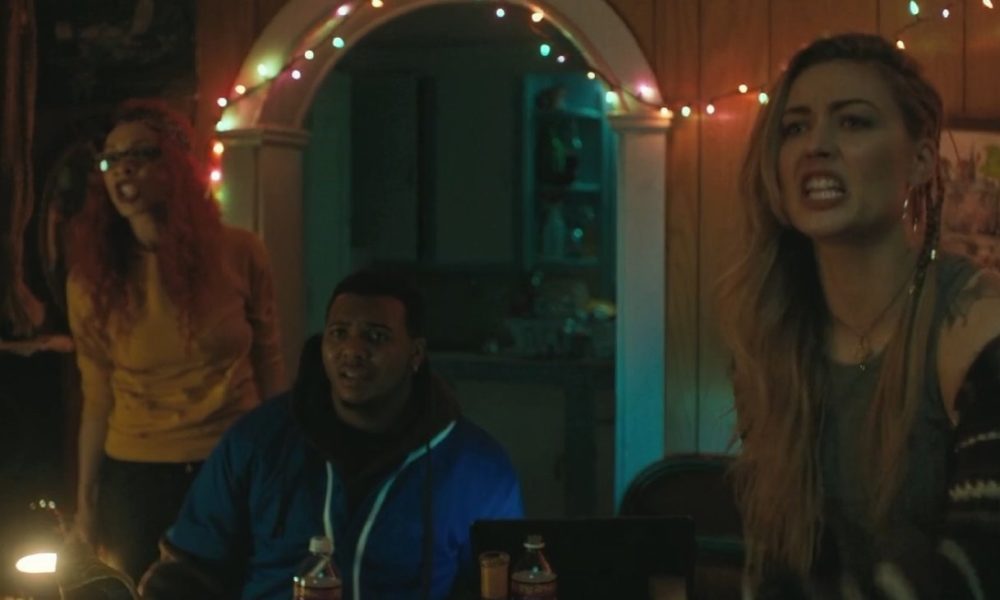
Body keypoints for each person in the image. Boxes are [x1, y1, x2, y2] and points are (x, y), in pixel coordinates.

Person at [718, 33, 1000, 598]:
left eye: (853, 122)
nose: (816, 146)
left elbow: (981, 565)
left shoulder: (974, 321)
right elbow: (777, 563)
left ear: (920, 161)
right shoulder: (773, 338)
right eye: (795, 128)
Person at [138, 269, 524, 599]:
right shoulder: (257, 443)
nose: (352, 350)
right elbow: (187, 573)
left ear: (415, 353)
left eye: (376, 336)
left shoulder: (478, 468)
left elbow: (502, 584)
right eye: (339, 333)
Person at [66, 98, 287, 583]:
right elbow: (97, 397)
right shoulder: (91, 280)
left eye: (141, 154)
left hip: (231, 460)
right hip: (138, 473)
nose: (123, 168)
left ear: (179, 166)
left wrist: (285, 461)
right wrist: (86, 505)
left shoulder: (240, 251)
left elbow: (269, 361)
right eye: (111, 159)